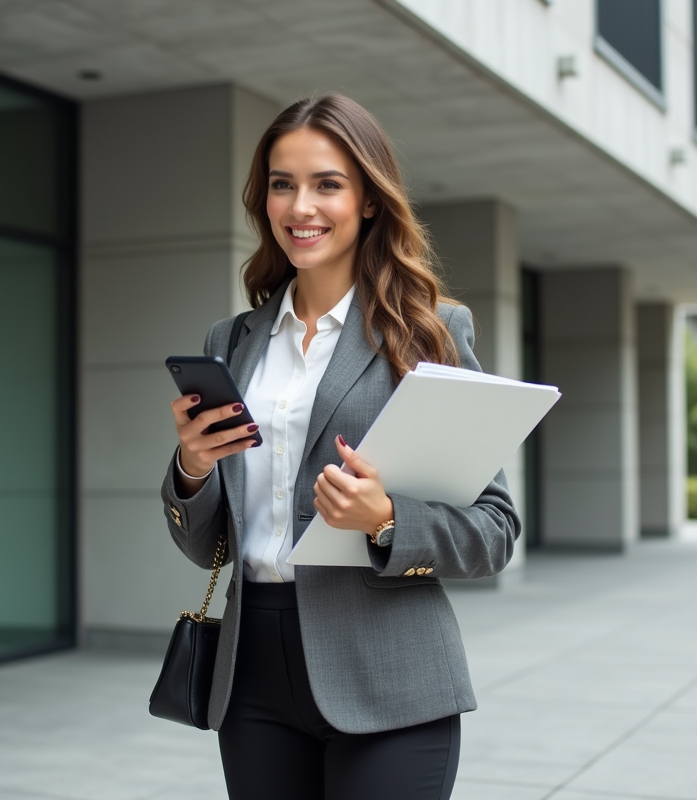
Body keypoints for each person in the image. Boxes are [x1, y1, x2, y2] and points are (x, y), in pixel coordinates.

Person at [162, 94, 518, 800]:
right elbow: (208, 548)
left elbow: (495, 530)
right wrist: (193, 469)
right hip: (252, 672)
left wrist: (385, 520)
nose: (301, 207)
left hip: (390, 675)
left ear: (369, 199)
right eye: (282, 184)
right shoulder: (231, 341)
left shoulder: (429, 332)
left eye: (327, 184)